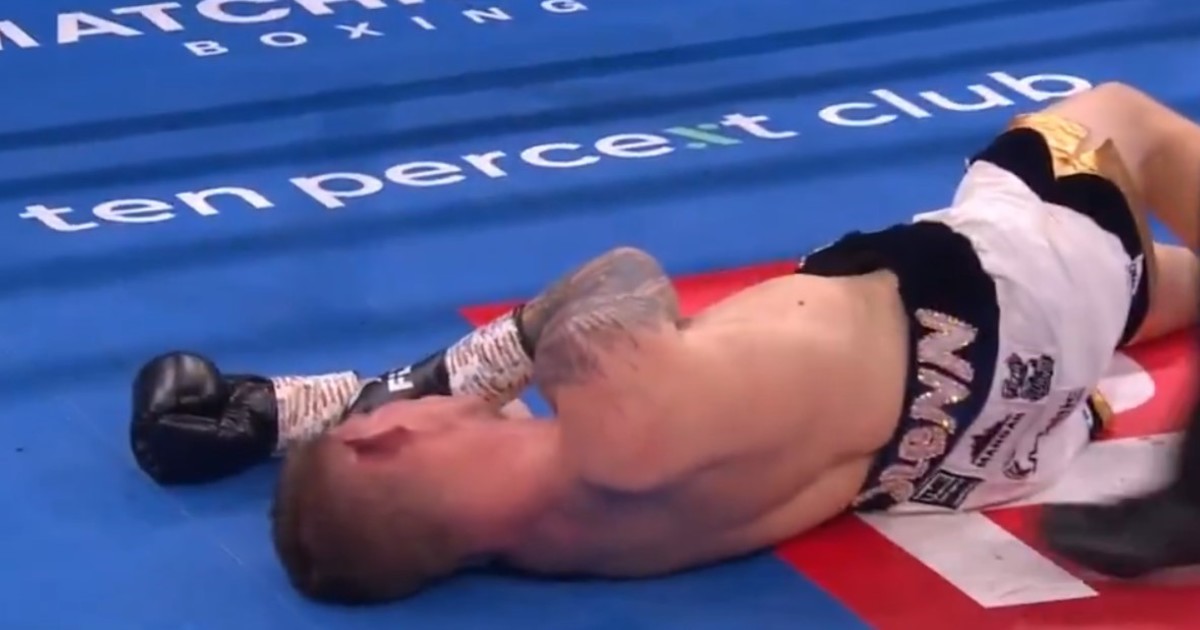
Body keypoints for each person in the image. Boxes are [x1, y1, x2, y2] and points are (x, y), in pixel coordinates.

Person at [128, 82, 1200, 604]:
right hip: (983, 306)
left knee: (1132, 278)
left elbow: (449, 460)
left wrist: (290, 427)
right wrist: (349, 401)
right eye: (385, 420)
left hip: (971, 437)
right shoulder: (613, 409)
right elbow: (615, 279)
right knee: (1117, 121)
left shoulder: (559, 549)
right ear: (382, 440)